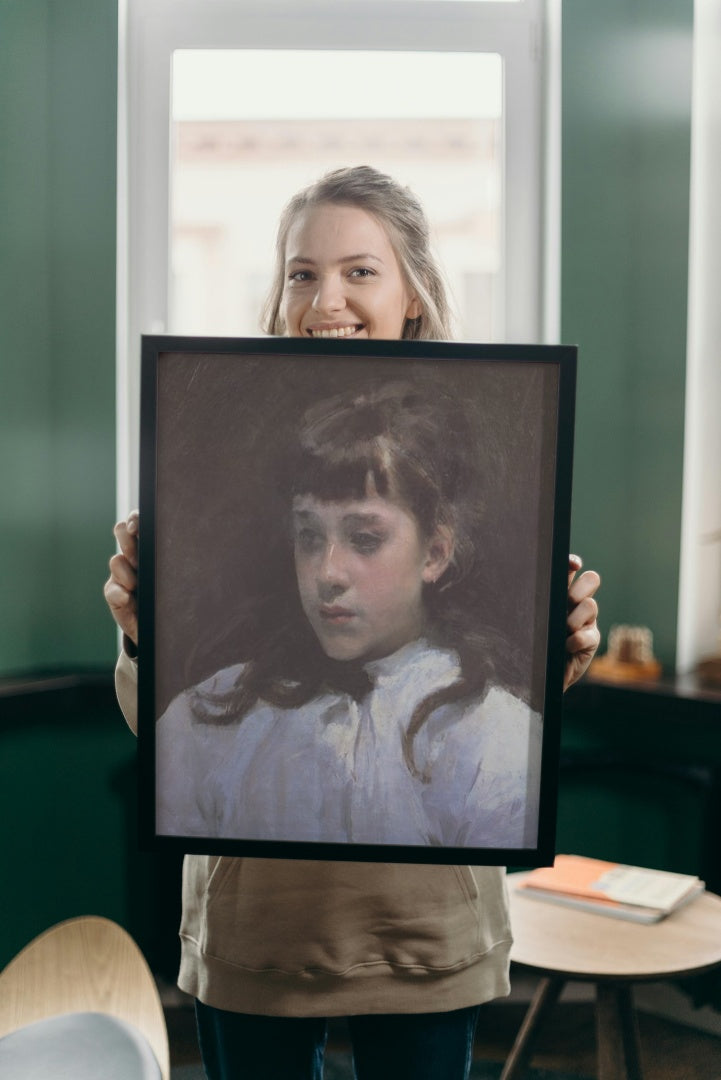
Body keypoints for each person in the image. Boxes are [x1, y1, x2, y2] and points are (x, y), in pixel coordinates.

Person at [105, 166, 601, 1080]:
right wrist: (144, 633)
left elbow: (514, 756)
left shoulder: (477, 720)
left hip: (422, 940)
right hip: (257, 937)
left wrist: (555, 652)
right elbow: (173, 752)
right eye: (301, 272)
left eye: (358, 271)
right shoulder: (226, 700)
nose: (324, 297)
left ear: (412, 290)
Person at [155, 377, 542, 849]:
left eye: (364, 539)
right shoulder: (213, 714)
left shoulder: (491, 733)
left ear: (435, 554)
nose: (327, 572)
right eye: (310, 537)